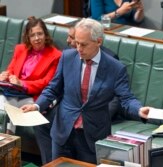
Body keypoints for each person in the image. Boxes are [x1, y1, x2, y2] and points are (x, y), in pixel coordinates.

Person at [21, 18, 149, 164]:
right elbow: (53, 88)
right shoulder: (67, 57)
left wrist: (139, 110)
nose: (78, 49)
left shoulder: (115, 68)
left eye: (83, 45)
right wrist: (37, 106)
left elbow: (126, 99)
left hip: (92, 136)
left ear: (98, 42)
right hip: (63, 132)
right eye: (77, 43)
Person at [0, 17, 61, 135]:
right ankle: (7, 140)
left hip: (33, 97)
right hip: (13, 93)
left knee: (11, 106)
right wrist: (5, 76)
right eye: (33, 35)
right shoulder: (20, 49)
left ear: (45, 35)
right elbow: (11, 70)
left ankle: (8, 139)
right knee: (7, 103)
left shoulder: (55, 55)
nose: (37, 38)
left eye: (40, 34)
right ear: (28, 37)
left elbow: (47, 82)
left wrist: (22, 83)